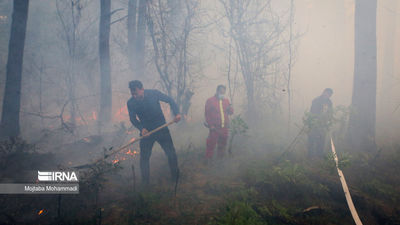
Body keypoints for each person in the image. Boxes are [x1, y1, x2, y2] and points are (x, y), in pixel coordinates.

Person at [127, 80, 181, 184]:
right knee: (144, 158)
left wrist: (177, 113)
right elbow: (133, 119)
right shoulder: (131, 103)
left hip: (161, 129)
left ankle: (175, 179)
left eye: (136, 93)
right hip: (146, 133)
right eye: (132, 94)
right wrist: (141, 128)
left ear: (142, 89)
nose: (134, 96)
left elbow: (170, 100)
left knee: (171, 154)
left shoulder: (153, 93)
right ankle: (145, 184)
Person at [204, 85, 233, 161]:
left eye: (223, 92)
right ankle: (208, 161)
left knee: (222, 145)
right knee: (211, 145)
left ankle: (220, 162)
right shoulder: (210, 100)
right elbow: (207, 114)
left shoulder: (226, 101)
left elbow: (231, 112)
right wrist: (211, 125)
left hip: (224, 128)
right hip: (214, 128)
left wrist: (230, 106)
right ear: (217, 91)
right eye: (221, 91)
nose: (222, 93)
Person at [308, 88, 333, 157]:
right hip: (314, 123)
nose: (328, 95)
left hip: (323, 125)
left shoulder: (329, 102)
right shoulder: (316, 100)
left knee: (321, 140)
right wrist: (314, 121)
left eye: (329, 94)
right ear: (323, 92)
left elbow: (330, 113)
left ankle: (319, 156)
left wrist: (328, 121)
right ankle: (310, 156)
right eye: (327, 93)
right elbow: (312, 112)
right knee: (312, 139)